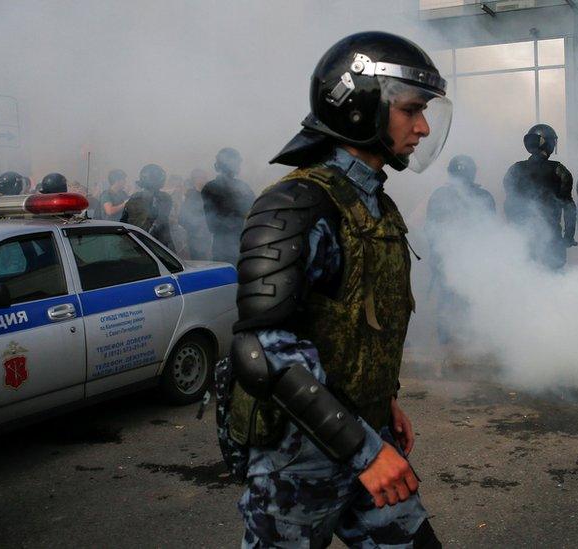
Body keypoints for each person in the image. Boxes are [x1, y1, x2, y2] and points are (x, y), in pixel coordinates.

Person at [215, 31, 450, 548]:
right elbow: (261, 351)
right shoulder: (293, 205)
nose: (423, 126)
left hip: (363, 434)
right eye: (412, 110)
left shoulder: (375, 205)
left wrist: (381, 400)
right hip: (298, 463)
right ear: (359, 108)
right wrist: (365, 451)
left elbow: (353, 322)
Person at [424, 155, 495, 344]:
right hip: (459, 257)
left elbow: (430, 229)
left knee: (453, 298)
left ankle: (450, 339)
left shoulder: (440, 195)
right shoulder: (483, 196)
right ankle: (466, 340)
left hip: (459, 257)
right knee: (466, 297)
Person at [503, 124, 576, 269]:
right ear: (549, 143)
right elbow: (569, 207)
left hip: (522, 237)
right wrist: (568, 237)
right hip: (551, 236)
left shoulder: (514, 169)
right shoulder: (558, 170)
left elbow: (509, 204)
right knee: (553, 281)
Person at [201, 147, 255, 265]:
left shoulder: (210, 187)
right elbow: (212, 223)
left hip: (234, 241)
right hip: (228, 242)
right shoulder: (212, 188)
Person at [121, 164, 176, 250]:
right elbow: (160, 221)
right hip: (157, 244)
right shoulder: (164, 198)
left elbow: (124, 221)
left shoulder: (134, 197)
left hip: (135, 242)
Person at [179, 168, 211, 260]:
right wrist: (194, 229)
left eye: (204, 177)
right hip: (196, 238)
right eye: (200, 177)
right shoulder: (191, 196)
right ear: (194, 180)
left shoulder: (209, 194)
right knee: (200, 262)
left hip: (208, 236)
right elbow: (182, 218)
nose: (203, 180)